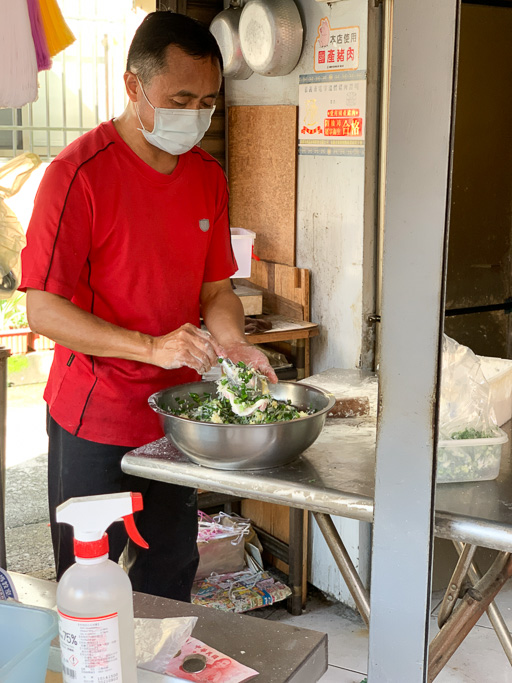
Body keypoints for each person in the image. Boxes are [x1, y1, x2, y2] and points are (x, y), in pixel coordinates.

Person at [20, 11, 277, 601]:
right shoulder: (77, 175)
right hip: (97, 417)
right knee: (88, 584)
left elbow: (216, 292)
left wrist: (234, 342)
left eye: (207, 101)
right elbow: (43, 310)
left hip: (177, 420)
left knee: (169, 578)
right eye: (180, 98)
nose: (195, 115)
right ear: (133, 86)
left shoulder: (207, 175)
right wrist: (151, 347)